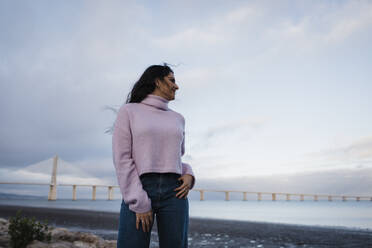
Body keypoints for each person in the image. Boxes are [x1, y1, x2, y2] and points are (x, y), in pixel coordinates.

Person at [112, 63, 196, 248]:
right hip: (140, 187)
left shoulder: (178, 118)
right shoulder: (129, 111)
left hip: (175, 192)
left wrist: (189, 173)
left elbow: (175, 157)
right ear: (157, 81)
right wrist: (138, 199)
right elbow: (122, 158)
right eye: (172, 80)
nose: (177, 86)